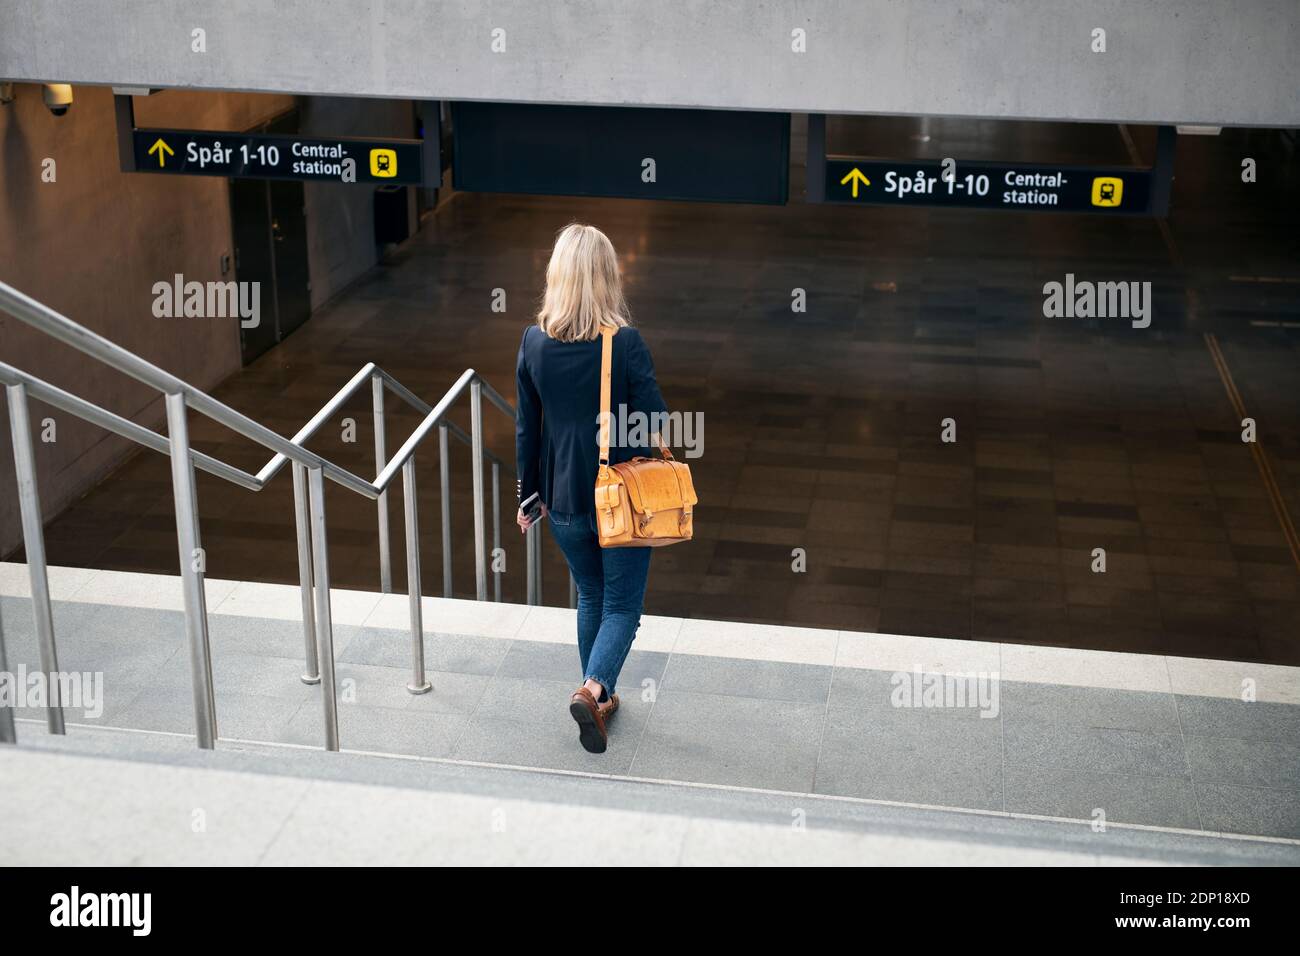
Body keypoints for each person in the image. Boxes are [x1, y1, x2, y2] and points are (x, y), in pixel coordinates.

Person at [515, 223, 669, 754]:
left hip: (561, 501)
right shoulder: (622, 343)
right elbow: (654, 421)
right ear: (607, 279)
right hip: (620, 500)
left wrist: (527, 496)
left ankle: (597, 700)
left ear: (557, 277)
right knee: (622, 605)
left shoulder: (533, 342)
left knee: (591, 595)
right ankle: (594, 688)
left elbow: (526, 427)